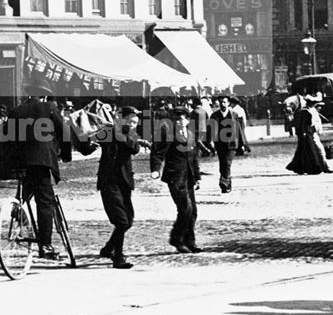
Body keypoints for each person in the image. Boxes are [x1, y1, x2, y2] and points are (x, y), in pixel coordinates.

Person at [7, 82, 92, 260]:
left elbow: (6, 137)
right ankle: (45, 245)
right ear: (45, 96)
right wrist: (67, 155)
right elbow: (64, 132)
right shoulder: (48, 108)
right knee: (44, 202)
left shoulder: (16, 111)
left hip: (19, 162)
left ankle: (18, 214)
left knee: (23, 194)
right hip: (41, 161)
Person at [96, 106, 147, 269]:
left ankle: (108, 248)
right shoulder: (108, 131)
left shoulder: (130, 134)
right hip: (109, 182)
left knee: (128, 220)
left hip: (124, 182)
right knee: (122, 221)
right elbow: (93, 140)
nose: (133, 125)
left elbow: (135, 148)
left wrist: (123, 132)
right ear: (122, 118)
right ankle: (118, 257)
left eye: (135, 122)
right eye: (130, 121)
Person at [150, 103, 202, 253]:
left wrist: (197, 177)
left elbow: (194, 159)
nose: (180, 121)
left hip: (189, 177)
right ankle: (176, 238)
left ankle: (190, 241)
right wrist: (155, 169)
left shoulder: (191, 135)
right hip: (175, 176)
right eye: (177, 119)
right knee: (186, 208)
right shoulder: (169, 135)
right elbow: (158, 152)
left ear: (187, 120)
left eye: (183, 119)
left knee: (193, 211)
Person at [206, 95, 250, 193]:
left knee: (227, 163)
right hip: (219, 143)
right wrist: (210, 141)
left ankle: (224, 182)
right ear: (218, 103)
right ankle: (227, 182)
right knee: (223, 163)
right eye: (221, 102)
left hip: (232, 143)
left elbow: (239, 129)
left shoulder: (234, 114)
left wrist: (243, 143)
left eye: (225, 102)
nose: (223, 104)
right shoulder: (214, 115)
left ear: (228, 103)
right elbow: (210, 129)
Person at [286, 92, 331, 175]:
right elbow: (303, 124)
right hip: (309, 133)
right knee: (317, 150)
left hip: (312, 133)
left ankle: (319, 167)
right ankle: (323, 167)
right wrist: (303, 133)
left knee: (307, 151)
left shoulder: (312, 110)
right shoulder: (305, 111)